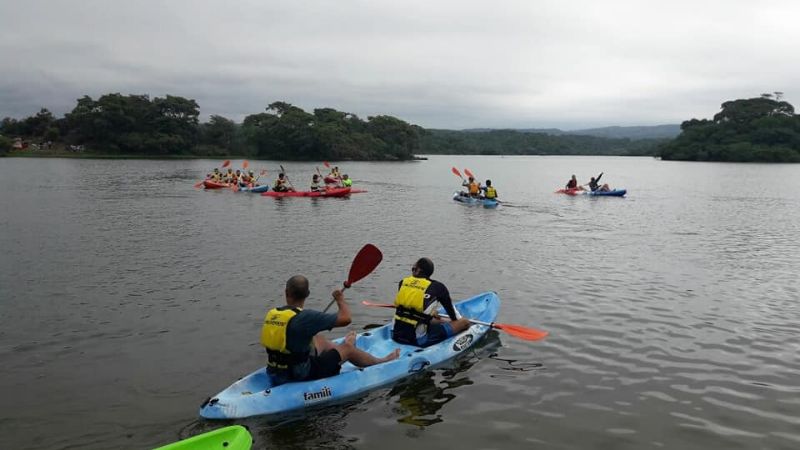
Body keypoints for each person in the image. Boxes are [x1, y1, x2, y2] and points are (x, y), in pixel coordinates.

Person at [261, 276, 400, 386]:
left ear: (286, 292)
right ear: (307, 294)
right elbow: (346, 318)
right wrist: (340, 299)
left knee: (318, 338)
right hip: (298, 373)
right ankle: (378, 360)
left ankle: (340, 352)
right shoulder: (306, 317)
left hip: (274, 371)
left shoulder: (273, 313)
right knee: (348, 348)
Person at [392, 258, 471, 347]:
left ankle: (438, 320)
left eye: (413, 269)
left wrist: (431, 313)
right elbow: (453, 317)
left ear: (418, 271)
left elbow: (412, 307)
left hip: (395, 335)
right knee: (464, 322)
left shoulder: (403, 283)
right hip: (418, 340)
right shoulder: (438, 287)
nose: (412, 272)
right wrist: (455, 321)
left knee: (434, 319)